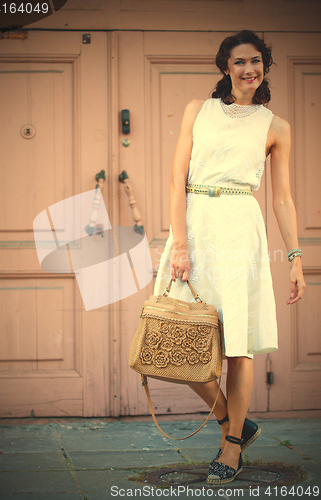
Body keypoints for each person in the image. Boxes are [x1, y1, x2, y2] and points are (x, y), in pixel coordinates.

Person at [153, 30, 306, 484]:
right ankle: (231, 421)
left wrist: (296, 257)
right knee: (177, 339)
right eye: (239, 62)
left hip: (241, 229)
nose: (248, 69)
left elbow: (282, 199)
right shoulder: (197, 112)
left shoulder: (276, 126)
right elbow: (177, 178)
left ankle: (232, 445)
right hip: (196, 230)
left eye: (256, 61)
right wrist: (179, 244)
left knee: (238, 345)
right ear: (226, 68)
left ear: (264, 66)